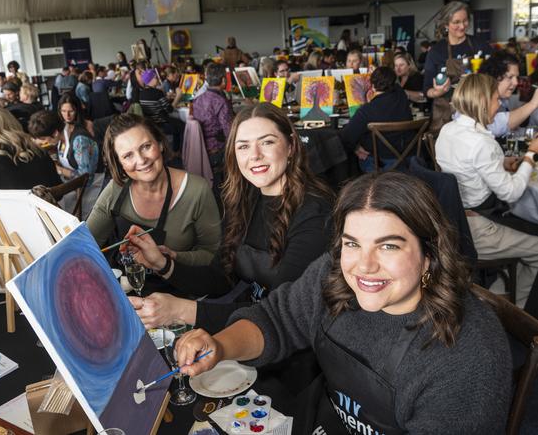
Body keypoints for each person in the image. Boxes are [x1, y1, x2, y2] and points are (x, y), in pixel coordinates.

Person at [175, 171, 512, 434]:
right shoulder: (333, 273)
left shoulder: (469, 355)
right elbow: (277, 319)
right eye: (352, 244)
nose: (364, 266)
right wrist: (219, 345)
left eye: (388, 246)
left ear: (429, 253)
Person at [123, 102, 334, 333]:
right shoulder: (245, 199)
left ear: (291, 145)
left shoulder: (315, 214)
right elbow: (221, 278)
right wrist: (162, 264)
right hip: (249, 325)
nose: (255, 155)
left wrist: (180, 310)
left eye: (267, 142)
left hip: (295, 342)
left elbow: (281, 315)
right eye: (243, 146)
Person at [436, 73, 538, 315]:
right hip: (479, 230)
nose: (500, 104)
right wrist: (530, 156)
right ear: (482, 101)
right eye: (495, 99)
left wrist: (503, 163)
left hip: (453, 223)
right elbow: (511, 193)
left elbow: (470, 166)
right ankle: (517, 314)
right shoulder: (482, 143)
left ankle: (498, 294)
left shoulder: (447, 131)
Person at [86, 113, 220, 281]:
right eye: (128, 156)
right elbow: (87, 245)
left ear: (161, 144)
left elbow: (213, 255)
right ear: (119, 162)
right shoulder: (116, 189)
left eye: (146, 146)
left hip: (177, 291)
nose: (141, 160)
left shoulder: (196, 190)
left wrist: (173, 256)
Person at [424, 1, 490, 132]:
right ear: (446, 25)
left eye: (465, 21)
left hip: (477, 114)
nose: (462, 26)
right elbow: (426, 89)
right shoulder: (436, 51)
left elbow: (494, 76)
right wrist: (437, 92)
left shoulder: (480, 45)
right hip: (446, 116)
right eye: (456, 22)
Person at [0, 108, 61, 190]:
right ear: (14, 124)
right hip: (48, 212)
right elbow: (58, 191)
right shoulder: (38, 151)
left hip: (9, 213)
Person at [340, 66, 414, 172]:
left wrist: (356, 149)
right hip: (410, 158)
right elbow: (395, 85)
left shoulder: (366, 110)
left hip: (381, 164)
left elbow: (346, 137)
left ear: (372, 86)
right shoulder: (401, 95)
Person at [192, 63, 234, 189]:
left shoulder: (198, 98)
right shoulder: (220, 101)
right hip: (217, 151)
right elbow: (229, 132)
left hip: (201, 148)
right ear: (223, 80)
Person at [478, 51, 538, 137]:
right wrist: (533, 103)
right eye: (510, 77)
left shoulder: (503, 99)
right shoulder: (479, 98)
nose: (516, 82)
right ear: (494, 76)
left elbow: (509, 132)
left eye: (516, 77)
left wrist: (532, 133)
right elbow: (494, 128)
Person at [54, 94, 99, 181]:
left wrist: (60, 170)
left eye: (71, 111)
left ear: (77, 110)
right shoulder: (63, 128)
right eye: (63, 111)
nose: (67, 115)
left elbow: (86, 176)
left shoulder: (83, 133)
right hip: (72, 180)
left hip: (90, 183)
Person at [138, 69, 185, 152]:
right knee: (182, 125)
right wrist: (178, 96)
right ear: (151, 80)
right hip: (161, 123)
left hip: (150, 123)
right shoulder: (157, 92)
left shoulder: (141, 93)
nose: (157, 79)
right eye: (155, 77)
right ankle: (178, 151)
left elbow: (155, 103)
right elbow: (169, 110)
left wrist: (166, 98)